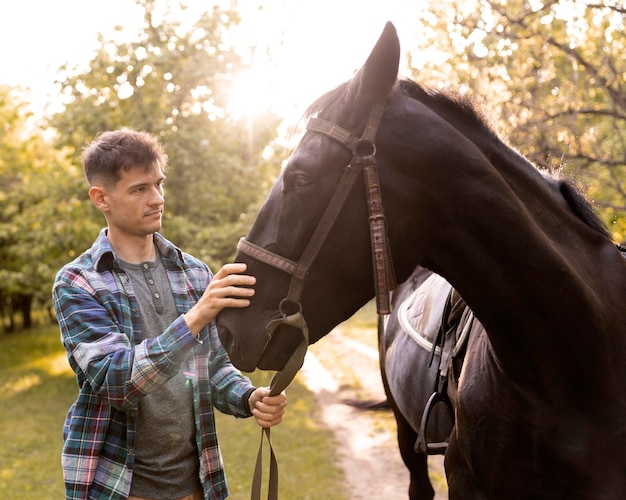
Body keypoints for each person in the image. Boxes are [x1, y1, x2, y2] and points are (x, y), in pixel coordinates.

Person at [52, 128, 287, 500]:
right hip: (118, 487)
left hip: (197, 485)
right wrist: (195, 317)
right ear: (101, 198)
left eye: (159, 184)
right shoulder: (78, 283)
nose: (157, 198)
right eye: (139, 189)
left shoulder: (194, 273)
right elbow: (116, 382)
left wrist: (247, 396)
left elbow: (211, 369)